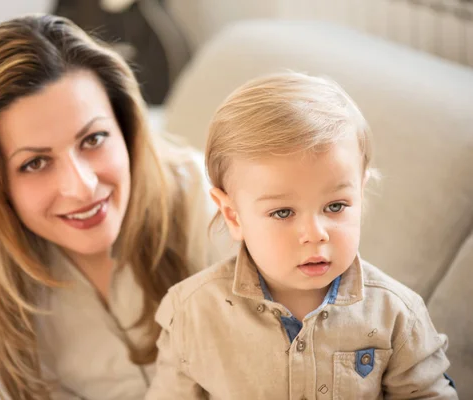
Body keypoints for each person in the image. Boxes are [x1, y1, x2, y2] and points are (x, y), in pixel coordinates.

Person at [0, 14, 227, 400]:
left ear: (126, 128)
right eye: (35, 163)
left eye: (94, 138)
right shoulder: (0, 279)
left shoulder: (208, 202)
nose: (82, 187)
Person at [146, 72, 458, 399]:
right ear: (232, 215)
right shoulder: (192, 314)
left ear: (360, 194)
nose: (315, 234)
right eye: (283, 213)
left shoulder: (396, 315)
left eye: (336, 206)